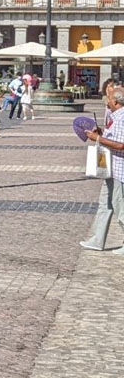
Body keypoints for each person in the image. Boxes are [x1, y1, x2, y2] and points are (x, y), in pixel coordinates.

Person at [81, 85, 124, 254]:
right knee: (105, 204)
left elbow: (121, 145)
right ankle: (97, 240)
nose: (107, 101)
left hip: (119, 170)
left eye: (109, 98)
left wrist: (97, 138)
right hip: (111, 169)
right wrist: (103, 133)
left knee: (120, 207)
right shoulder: (117, 116)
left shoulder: (122, 118)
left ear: (116, 101)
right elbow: (116, 137)